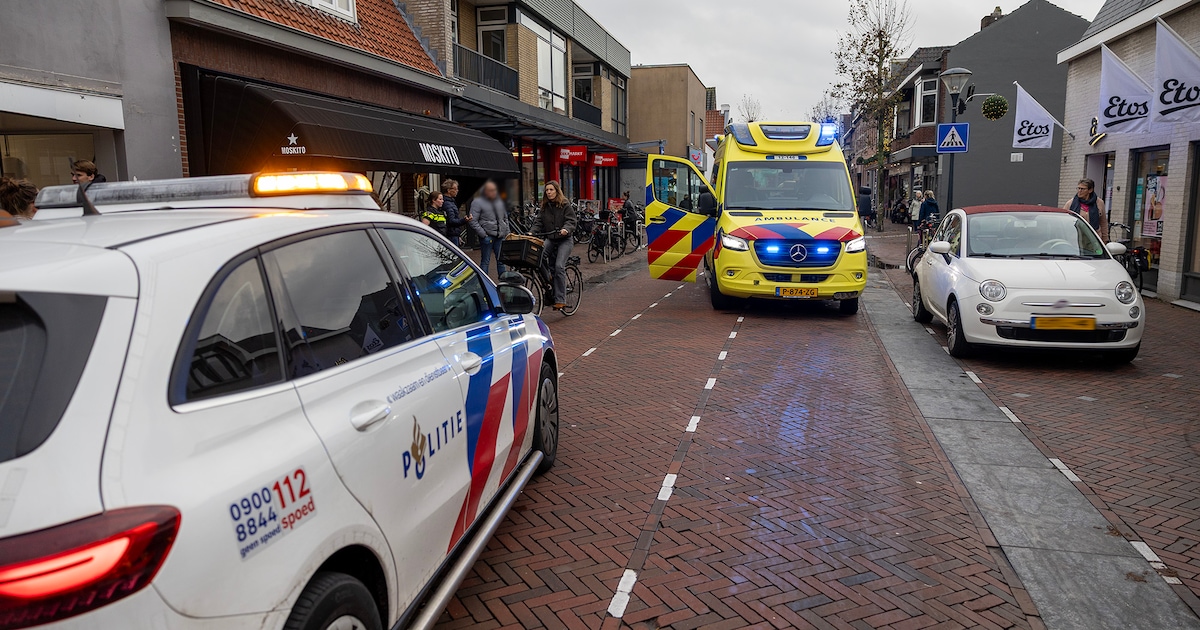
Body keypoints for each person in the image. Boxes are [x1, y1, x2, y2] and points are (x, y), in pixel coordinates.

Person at [532, 181, 577, 310]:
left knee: (558, 266)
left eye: (551, 190)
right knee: (537, 256)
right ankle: (549, 278)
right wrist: (531, 232)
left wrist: (566, 229)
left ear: (557, 191)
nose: (549, 192)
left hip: (564, 240)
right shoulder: (545, 207)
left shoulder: (565, 204)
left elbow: (571, 220)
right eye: (547, 190)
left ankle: (560, 300)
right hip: (551, 238)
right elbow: (538, 222)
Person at [469, 180, 510, 276]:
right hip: (488, 236)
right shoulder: (477, 202)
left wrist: (507, 233)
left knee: (501, 261)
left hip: (500, 235)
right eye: (491, 190)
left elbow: (505, 218)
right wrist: (483, 234)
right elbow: (472, 220)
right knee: (485, 261)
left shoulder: (499, 201)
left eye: (495, 190)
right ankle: (484, 283)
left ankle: (503, 281)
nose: (494, 192)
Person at [441, 179, 471, 247]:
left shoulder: (451, 202)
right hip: (451, 235)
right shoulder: (447, 204)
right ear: (448, 190)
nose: (457, 191)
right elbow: (451, 221)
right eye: (455, 189)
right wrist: (464, 220)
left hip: (453, 234)